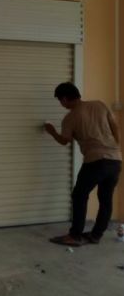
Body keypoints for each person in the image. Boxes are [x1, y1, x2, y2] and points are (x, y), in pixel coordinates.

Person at [44, 82, 121, 247]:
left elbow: (64, 141)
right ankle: (96, 235)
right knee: (105, 199)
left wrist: (52, 131)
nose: (61, 104)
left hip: (96, 161)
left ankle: (75, 235)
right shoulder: (99, 105)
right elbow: (115, 126)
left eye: (60, 100)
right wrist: (116, 147)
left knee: (79, 195)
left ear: (65, 99)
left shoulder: (70, 118)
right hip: (115, 160)